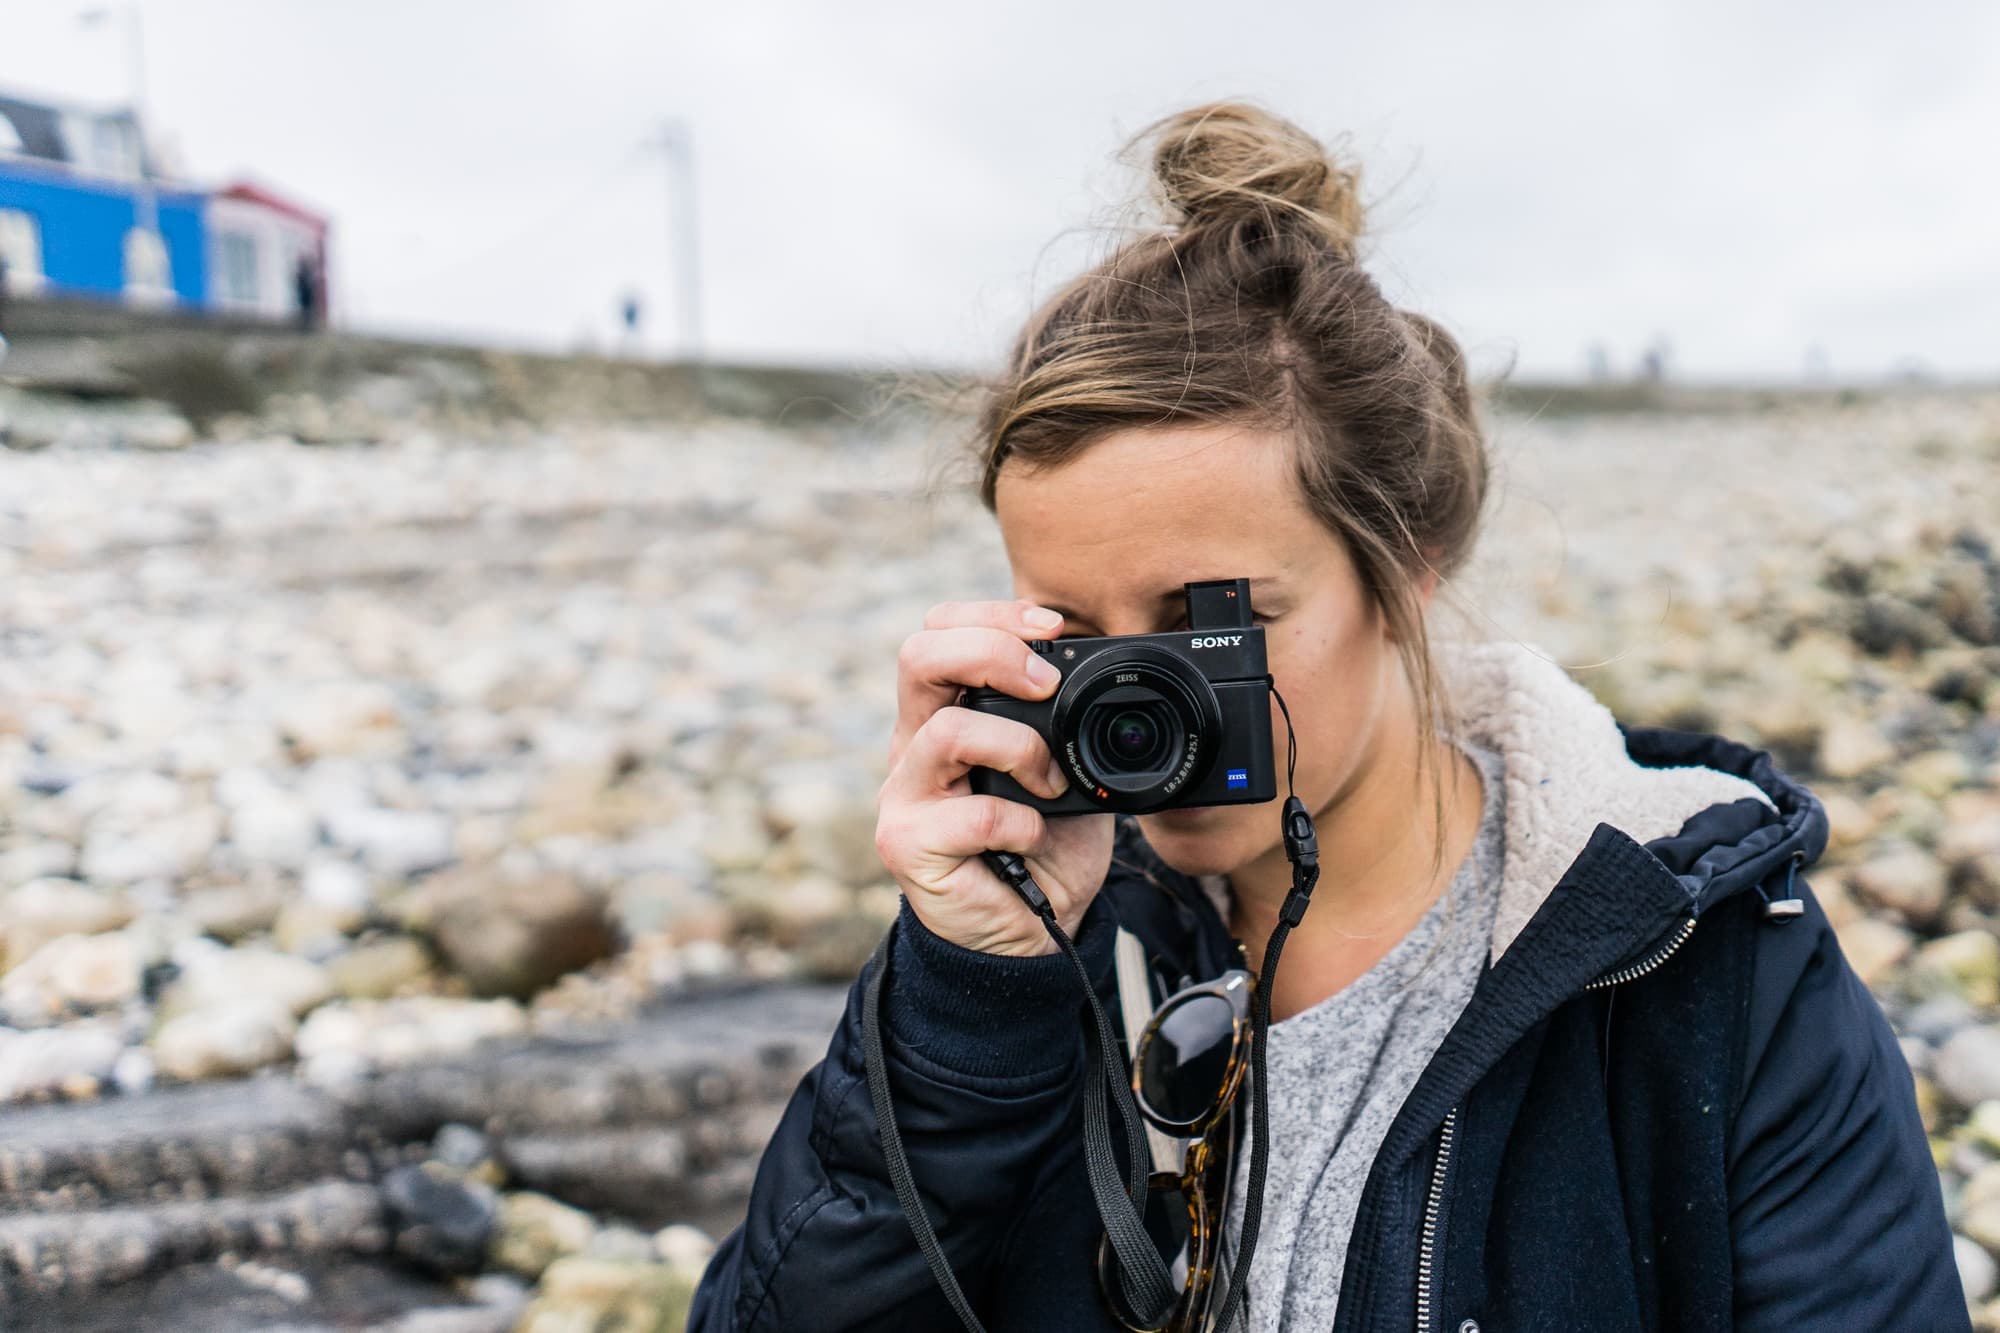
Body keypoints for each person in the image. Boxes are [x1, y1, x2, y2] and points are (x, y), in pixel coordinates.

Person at [687, 101, 1967, 1332]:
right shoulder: (1047, 953)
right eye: (1075, 633)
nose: (1151, 702)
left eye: (1212, 621)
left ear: (1405, 563)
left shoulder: (1702, 971)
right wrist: (963, 996)